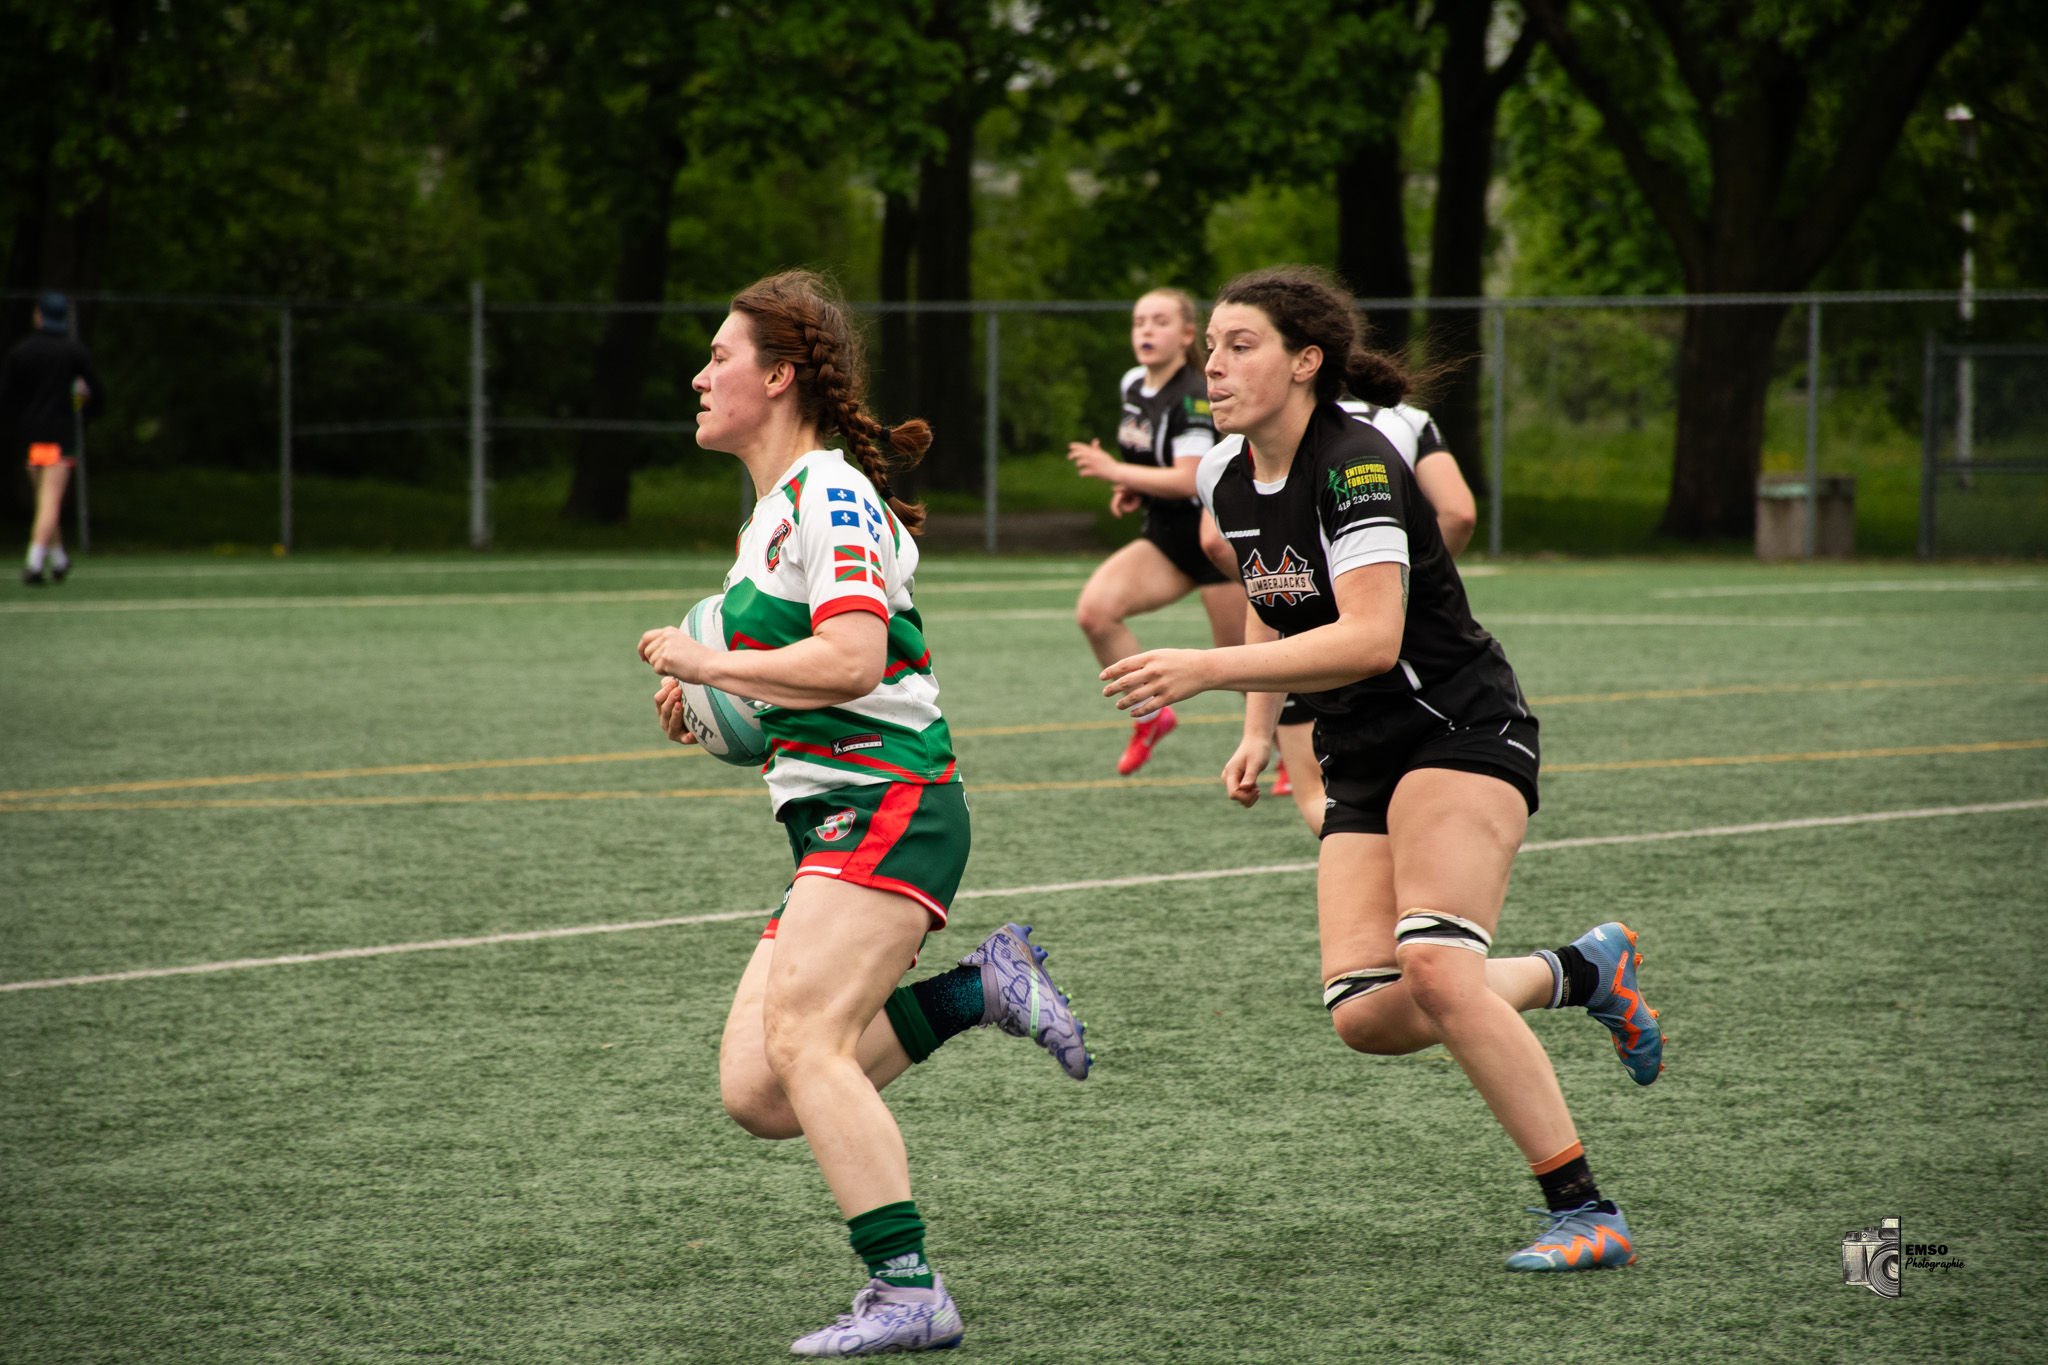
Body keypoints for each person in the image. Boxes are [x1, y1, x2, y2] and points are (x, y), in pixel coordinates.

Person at [1101, 266, 1663, 1272]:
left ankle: (1585, 1208)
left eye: (1239, 347)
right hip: (1360, 749)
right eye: (1212, 347)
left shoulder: (1354, 464)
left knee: (1437, 967)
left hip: (1456, 726)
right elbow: (1277, 600)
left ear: (1304, 362)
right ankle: (1577, 971)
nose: (1213, 368)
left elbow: (1366, 639)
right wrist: (1252, 726)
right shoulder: (1231, 476)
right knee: (1364, 1010)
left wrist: (1202, 665)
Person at [638, 270, 1090, 1357]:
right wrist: (715, 702)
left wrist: (708, 660)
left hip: (890, 802)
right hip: (831, 818)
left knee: (802, 1040)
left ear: (779, 373)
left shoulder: (828, 494)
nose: (699, 377)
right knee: (759, 1089)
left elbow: (848, 657)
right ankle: (983, 988)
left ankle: (907, 1291)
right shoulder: (774, 511)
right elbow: (790, 677)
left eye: (719, 356)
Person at [1268, 397, 1478, 827]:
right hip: (1413, 657)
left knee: (1325, 798)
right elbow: (1458, 514)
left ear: (1306, 360)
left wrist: (1252, 726)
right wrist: (1407, 577)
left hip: (1309, 634)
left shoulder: (1254, 438)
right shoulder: (1406, 419)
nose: (1215, 367)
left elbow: (1235, 559)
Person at [1067, 288, 1242, 775]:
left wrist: (1115, 472)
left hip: (1217, 539)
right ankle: (1152, 716)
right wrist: (1136, 487)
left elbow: (1190, 477)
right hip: (1167, 535)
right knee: (1096, 614)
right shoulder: (1131, 383)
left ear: (1188, 335)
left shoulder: (1193, 394)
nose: (1145, 329)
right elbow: (1155, 464)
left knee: (1245, 664)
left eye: (1160, 321)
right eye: (1139, 320)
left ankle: (1299, 754)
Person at [2, 293, 104, 586]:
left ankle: (58, 559)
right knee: (49, 503)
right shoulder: (73, 352)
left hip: (32, 435)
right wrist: (89, 411)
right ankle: (35, 563)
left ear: (39, 315)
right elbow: (96, 392)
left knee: (45, 501)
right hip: (58, 436)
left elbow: (6, 397)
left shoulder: (20, 352)